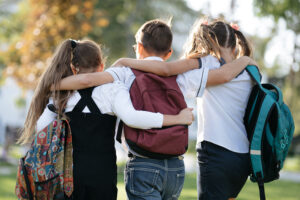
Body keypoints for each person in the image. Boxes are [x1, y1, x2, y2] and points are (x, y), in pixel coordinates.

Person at [56, 19, 256, 200]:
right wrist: (244, 60)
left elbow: (89, 79)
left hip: (144, 163)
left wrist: (51, 84)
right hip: (176, 167)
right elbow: (214, 75)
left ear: (139, 48)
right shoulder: (184, 76)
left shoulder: (125, 73)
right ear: (169, 53)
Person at [17, 39, 194, 200]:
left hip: (69, 176)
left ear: (73, 67)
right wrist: (176, 118)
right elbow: (133, 118)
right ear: (102, 66)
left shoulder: (61, 94)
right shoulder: (113, 90)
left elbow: (41, 128)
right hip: (103, 175)